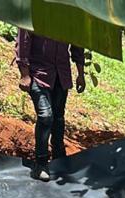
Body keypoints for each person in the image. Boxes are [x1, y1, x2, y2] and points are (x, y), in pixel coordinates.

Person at [16, 29, 86, 182]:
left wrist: (81, 73)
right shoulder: (37, 9)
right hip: (38, 74)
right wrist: (25, 73)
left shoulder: (69, 17)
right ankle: (40, 164)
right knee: (46, 116)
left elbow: (77, 44)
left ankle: (59, 158)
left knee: (58, 118)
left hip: (61, 74)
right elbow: (23, 39)